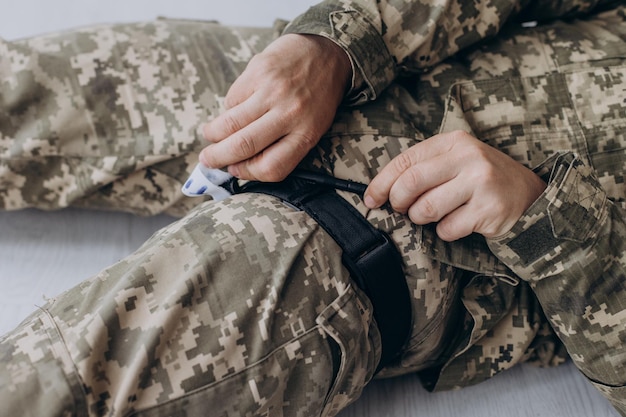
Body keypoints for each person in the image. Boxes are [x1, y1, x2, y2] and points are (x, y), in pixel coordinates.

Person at [0, 0, 624, 416]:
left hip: (378, 245)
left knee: (50, 385)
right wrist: (333, 45)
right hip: (326, 87)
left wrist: (541, 217)